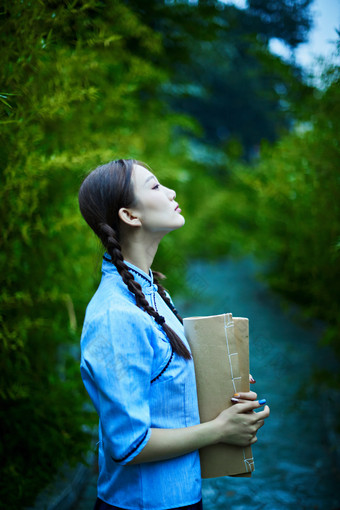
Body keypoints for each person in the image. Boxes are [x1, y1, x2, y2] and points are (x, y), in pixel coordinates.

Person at [78, 159, 270, 510]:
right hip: (143, 504)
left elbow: (160, 384)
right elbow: (129, 444)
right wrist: (220, 430)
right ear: (130, 216)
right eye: (154, 186)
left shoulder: (151, 291)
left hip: (180, 495)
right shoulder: (115, 315)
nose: (171, 191)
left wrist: (220, 382)